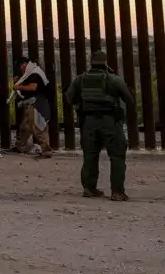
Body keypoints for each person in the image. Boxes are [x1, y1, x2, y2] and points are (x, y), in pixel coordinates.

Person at [65, 49, 135, 201]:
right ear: (105, 63)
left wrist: (82, 106)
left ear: (91, 62)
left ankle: (89, 189)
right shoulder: (114, 79)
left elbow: (69, 98)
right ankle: (117, 192)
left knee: (90, 155)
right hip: (110, 122)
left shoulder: (80, 79)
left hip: (88, 122)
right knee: (116, 156)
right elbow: (129, 100)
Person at [9, 55, 53, 158]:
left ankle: (46, 151)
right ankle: (20, 146)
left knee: (39, 127)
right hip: (32, 103)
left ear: (24, 65)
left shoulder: (34, 73)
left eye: (20, 67)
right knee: (25, 127)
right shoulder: (32, 72)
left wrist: (18, 86)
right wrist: (18, 81)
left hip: (37, 104)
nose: (21, 70)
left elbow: (33, 87)